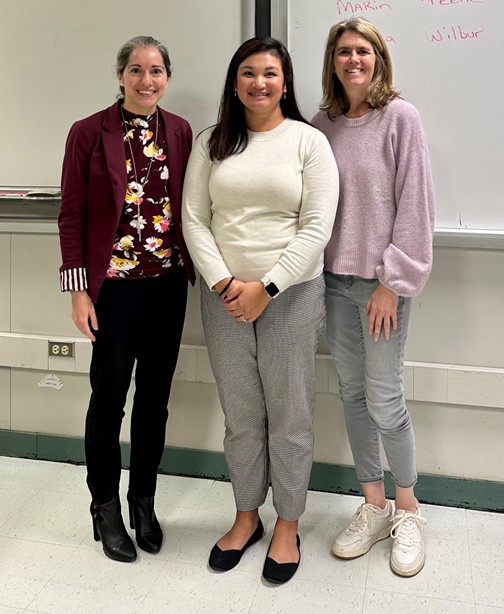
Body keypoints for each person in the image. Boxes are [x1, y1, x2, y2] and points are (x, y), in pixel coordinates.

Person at [182, 37, 338, 584]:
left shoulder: (309, 142)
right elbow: (194, 220)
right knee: (241, 413)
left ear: (286, 82)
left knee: (290, 416)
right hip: (222, 296)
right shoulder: (213, 142)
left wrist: (264, 287)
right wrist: (226, 282)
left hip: (291, 296)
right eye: (247, 73)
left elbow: (317, 227)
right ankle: (247, 514)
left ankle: (288, 523)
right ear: (234, 82)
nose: (259, 83)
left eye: (270, 73)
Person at [58, 35, 195, 563]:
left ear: (167, 77)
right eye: (135, 70)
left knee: (154, 402)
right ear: (120, 76)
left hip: (167, 284)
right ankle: (105, 507)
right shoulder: (88, 133)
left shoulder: (180, 131)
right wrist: (78, 291)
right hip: (112, 289)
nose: (146, 80)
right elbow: (71, 215)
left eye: (156, 70)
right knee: (108, 400)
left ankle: (144, 502)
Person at [312, 17, 434, 577]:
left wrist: (392, 281)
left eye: (363, 51)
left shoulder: (399, 118)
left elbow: (414, 205)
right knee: (354, 396)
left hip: (383, 284)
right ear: (332, 61)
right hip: (334, 282)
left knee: (385, 399)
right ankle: (373, 506)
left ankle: (409, 511)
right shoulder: (324, 124)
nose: (352, 60)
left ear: (378, 58)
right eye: (343, 51)